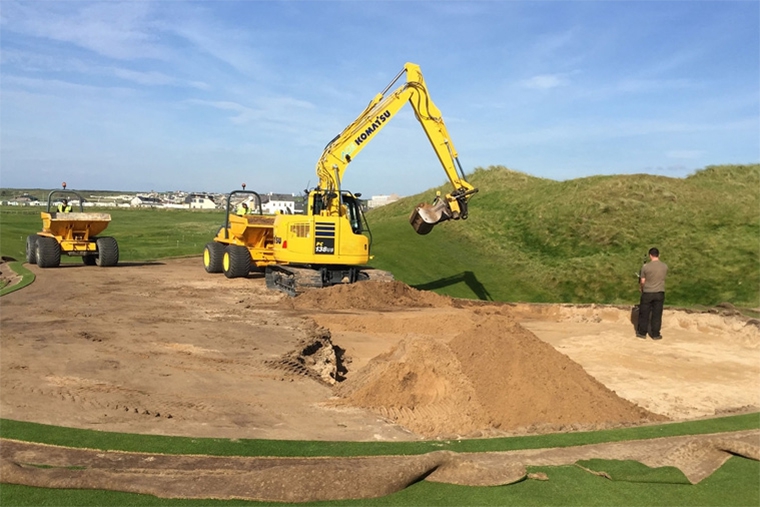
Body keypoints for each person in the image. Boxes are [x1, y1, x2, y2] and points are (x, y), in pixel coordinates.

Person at [636, 247, 668, 340]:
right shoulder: (664, 266)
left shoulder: (646, 267)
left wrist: (641, 288)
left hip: (648, 292)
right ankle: (655, 334)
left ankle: (642, 332)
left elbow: (642, 281)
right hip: (659, 292)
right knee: (657, 314)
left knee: (644, 313)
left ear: (650, 255)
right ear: (659, 255)